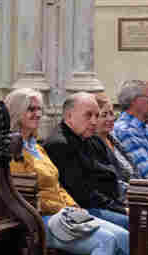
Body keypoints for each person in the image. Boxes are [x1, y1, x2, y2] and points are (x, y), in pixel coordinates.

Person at [5, 89, 130, 255]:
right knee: (106, 241)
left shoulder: (36, 147)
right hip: (39, 219)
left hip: (64, 213)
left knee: (124, 237)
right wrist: (61, 208)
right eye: (31, 109)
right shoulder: (12, 149)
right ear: (17, 112)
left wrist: (72, 207)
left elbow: (57, 185)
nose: (37, 113)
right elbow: (24, 193)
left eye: (39, 109)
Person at [43, 93, 128, 229]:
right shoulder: (59, 144)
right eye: (88, 115)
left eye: (96, 115)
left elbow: (111, 174)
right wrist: (121, 209)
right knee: (134, 223)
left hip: (109, 202)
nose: (94, 121)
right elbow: (82, 193)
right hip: (82, 209)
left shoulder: (92, 138)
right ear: (69, 116)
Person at [94, 92, 136, 188]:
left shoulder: (112, 137)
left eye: (111, 113)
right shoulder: (92, 144)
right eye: (104, 115)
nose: (111, 118)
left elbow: (132, 167)